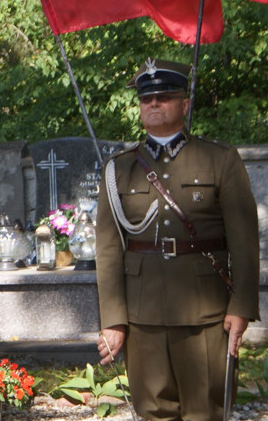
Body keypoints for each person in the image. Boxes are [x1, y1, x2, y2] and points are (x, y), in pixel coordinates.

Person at [95, 58, 259, 421]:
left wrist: (242, 306)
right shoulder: (118, 168)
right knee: (152, 409)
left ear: (184, 104)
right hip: (142, 312)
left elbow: (244, 241)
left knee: (205, 410)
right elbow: (107, 250)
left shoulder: (219, 160)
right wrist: (114, 320)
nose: (154, 104)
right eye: (146, 98)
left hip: (205, 312)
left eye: (165, 96)